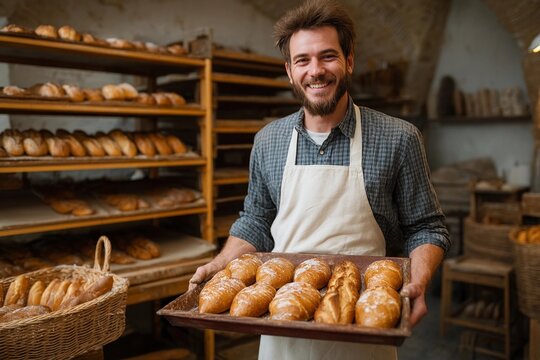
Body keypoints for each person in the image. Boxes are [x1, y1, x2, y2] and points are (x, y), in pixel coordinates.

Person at [189, 0, 450, 358]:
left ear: (349, 61)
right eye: (303, 60)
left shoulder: (398, 138)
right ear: (289, 70)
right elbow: (256, 220)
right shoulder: (268, 141)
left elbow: (427, 227)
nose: (316, 70)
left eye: (328, 56)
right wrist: (222, 264)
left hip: (366, 325)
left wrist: (418, 281)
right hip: (283, 323)